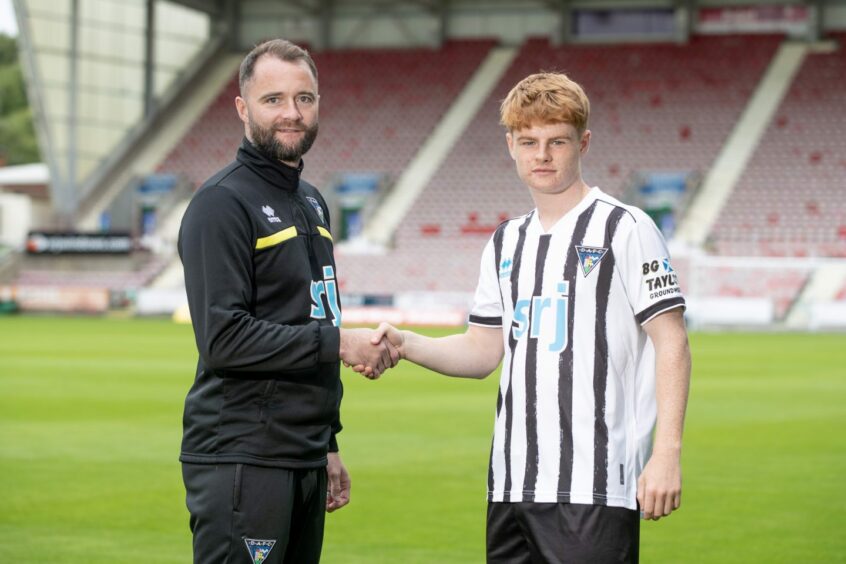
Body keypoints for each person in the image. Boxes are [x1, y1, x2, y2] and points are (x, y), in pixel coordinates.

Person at [366, 72, 691, 563]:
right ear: (510, 147)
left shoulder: (625, 226)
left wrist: (667, 452)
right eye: (528, 141)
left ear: (582, 143)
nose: (542, 155)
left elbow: (672, 342)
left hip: (593, 487)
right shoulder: (505, 241)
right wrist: (406, 344)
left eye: (556, 141)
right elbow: (482, 351)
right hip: (511, 485)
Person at [178, 39, 397, 564]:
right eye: (273, 99)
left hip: (302, 453)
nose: (292, 113)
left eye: (305, 98)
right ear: (242, 108)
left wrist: (327, 443)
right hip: (244, 456)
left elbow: (312, 314)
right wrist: (339, 345)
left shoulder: (313, 200)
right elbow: (223, 338)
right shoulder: (221, 203)